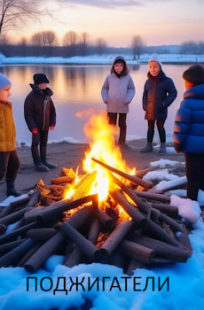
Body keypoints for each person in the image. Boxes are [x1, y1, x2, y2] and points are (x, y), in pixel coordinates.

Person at [173, 64, 204, 201]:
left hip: (192, 150)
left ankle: (191, 204)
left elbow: (181, 127)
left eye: (185, 81)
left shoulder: (188, 103)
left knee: (192, 176)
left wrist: (177, 144)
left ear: (191, 83)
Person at [141, 53, 177, 153]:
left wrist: (165, 104)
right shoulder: (148, 82)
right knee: (150, 127)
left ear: (160, 67)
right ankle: (149, 145)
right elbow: (145, 95)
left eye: (155, 66)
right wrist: (144, 105)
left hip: (161, 109)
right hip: (150, 110)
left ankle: (163, 146)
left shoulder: (167, 81)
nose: (153, 69)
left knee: (160, 126)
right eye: (150, 67)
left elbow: (173, 93)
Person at [24, 73, 57, 172]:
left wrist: (52, 122)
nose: (45, 85)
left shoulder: (47, 96)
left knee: (44, 142)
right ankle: (37, 162)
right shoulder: (31, 97)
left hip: (45, 125)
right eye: (43, 83)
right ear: (37, 84)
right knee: (35, 143)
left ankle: (44, 160)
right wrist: (32, 127)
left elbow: (53, 111)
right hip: (36, 126)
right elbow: (28, 114)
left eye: (46, 83)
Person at [101, 56, 135, 149]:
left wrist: (129, 98)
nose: (119, 68)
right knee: (111, 125)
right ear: (113, 66)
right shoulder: (109, 77)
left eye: (121, 66)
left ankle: (121, 143)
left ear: (124, 66)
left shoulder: (128, 77)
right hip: (111, 106)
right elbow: (104, 88)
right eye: (117, 65)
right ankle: (110, 142)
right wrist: (105, 98)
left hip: (123, 106)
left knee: (122, 125)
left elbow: (131, 89)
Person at [0, 73, 21, 197]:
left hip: (10, 144)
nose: (10, 93)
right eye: (6, 90)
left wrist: (14, 140)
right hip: (1, 147)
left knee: (15, 165)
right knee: (1, 171)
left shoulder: (6, 105)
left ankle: (11, 188)